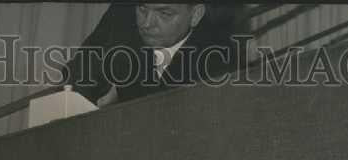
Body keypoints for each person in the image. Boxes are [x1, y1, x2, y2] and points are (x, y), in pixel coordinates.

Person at [63, 3, 237, 106]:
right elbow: (79, 71)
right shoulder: (121, 15)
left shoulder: (219, 59)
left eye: (164, 13)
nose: (147, 23)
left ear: (196, 15)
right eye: (142, 9)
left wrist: (124, 93)